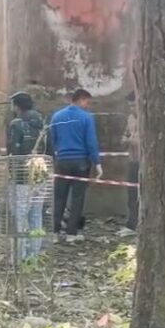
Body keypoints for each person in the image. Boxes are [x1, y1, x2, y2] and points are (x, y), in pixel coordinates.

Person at [49, 88, 102, 243]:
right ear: (81, 99)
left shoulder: (57, 116)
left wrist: (58, 154)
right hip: (81, 162)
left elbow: (52, 139)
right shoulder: (87, 117)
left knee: (59, 197)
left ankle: (54, 232)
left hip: (62, 161)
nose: (88, 106)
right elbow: (91, 142)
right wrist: (97, 163)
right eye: (87, 102)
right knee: (78, 198)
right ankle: (71, 233)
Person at [7, 91, 46, 260]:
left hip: (22, 177)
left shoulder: (16, 124)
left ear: (16, 105)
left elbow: (13, 151)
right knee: (36, 214)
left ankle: (19, 255)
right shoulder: (42, 124)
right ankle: (34, 254)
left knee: (20, 215)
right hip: (40, 175)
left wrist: (11, 172)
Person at [121, 91, 140, 233]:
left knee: (143, 194)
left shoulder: (149, 119)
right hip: (132, 160)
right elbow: (126, 133)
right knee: (131, 193)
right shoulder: (130, 118)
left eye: (134, 105)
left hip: (144, 161)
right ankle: (131, 224)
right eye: (130, 106)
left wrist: (131, 141)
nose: (132, 109)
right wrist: (124, 139)